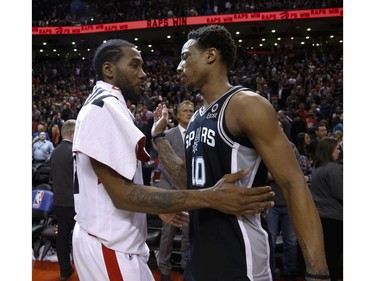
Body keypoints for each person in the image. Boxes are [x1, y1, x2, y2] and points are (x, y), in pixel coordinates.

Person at [71, 39, 275, 281]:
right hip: (109, 244)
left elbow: (112, 189)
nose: (143, 74)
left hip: (112, 242)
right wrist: (211, 197)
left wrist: (160, 208)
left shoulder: (107, 104)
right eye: (135, 66)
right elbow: (121, 193)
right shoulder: (104, 106)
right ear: (109, 70)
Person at [152, 25, 329, 281]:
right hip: (198, 258)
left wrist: (317, 272)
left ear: (211, 55)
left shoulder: (247, 104)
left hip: (241, 257)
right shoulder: (196, 118)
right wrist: (159, 138)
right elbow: (190, 181)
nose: (179, 67)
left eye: (185, 56)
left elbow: (293, 184)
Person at [156, 100, 194, 281]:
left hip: (190, 193)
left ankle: (187, 267)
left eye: (191, 111)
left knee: (188, 235)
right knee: (167, 235)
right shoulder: (168, 135)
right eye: (185, 110)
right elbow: (164, 165)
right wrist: (179, 187)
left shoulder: (197, 135)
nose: (189, 113)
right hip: (170, 192)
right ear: (177, 115)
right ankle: (164, 270)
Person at [310, 137, 343, 281]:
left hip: (321, 217)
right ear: (330, 150)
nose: (339, 151)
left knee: (328, 255)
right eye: (337, 148)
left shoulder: (316, 168)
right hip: (335, 218)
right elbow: (341, 193)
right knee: (335, 257)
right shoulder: (333, 167)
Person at [50, 119, 77, 281]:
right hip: (74, 203)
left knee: (62, 238)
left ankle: (64, 270)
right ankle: (86, 271)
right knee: (81, 239)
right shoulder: (74, 151)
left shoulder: (55, 151)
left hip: (58, 201)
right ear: (72, 134)